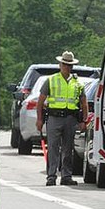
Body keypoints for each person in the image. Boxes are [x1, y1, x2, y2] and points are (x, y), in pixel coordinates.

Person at [36, 51, 89, 186]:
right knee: (53, 148)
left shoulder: (77, 83)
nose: (67, 67)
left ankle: (66, 176)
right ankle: (51, 176)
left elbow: (84, 103)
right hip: (54, 118)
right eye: (65, 64)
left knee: (68, 149)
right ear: (60, 65)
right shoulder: (51, 80)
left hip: (70, 119)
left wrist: (84, 120)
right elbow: (41, 101)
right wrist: (39, 119)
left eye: (69, 65)